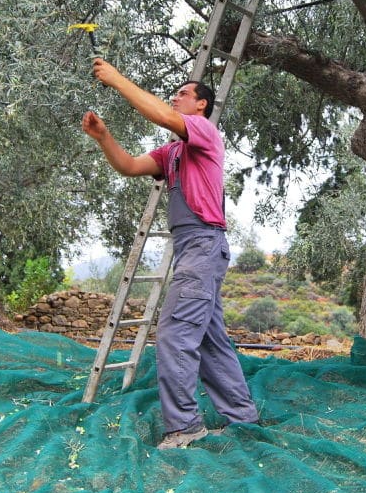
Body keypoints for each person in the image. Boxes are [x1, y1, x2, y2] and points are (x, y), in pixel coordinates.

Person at [82, 57, 259, 449]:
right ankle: (243, 417)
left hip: (203, 246)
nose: (175, 98)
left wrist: (116, 79)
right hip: (193, 250)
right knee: (210, 341)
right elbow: (128, 166)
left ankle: (183, 427)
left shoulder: (205, 132)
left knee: (175, 334)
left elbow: (162, 115)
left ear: (202, 106)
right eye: (176, 93)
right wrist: (104, 137)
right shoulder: (172, 154)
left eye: (184, 94)